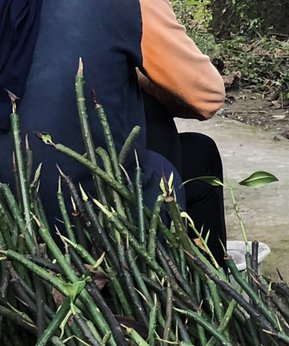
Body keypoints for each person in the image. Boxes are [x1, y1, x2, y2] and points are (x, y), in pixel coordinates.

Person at [0, 0, 224, 257]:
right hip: (86, 218)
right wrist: (136, 71)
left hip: (10, 211)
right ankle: (203, 275)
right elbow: (207, 97)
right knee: (199, 153)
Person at [139, 0, 227, 261]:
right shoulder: (137, 5)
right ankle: (209, 276)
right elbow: (207, 95)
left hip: (33, 172)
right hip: (112, 184)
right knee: (200, 154)